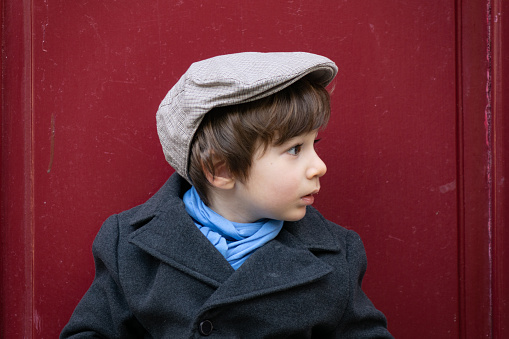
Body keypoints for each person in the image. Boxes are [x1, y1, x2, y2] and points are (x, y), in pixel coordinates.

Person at [61, 52, 393, 338]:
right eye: (294, 149)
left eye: (313, 145)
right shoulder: (131, 248)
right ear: (221, 170)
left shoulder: (335, 256)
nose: (318, 166)